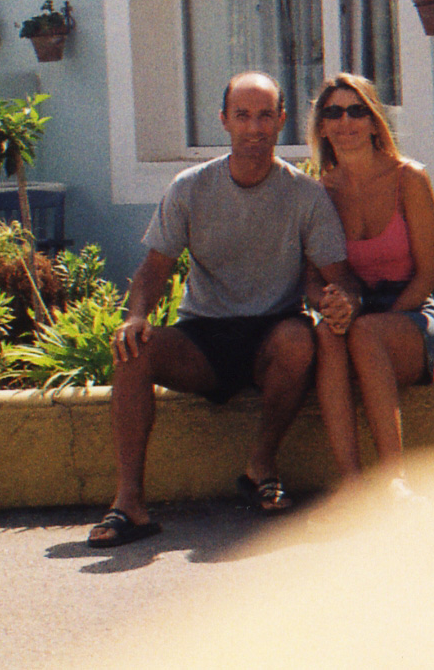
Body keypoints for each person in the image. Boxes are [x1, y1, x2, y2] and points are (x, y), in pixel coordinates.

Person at [86, 71, 351, 548]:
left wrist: (340, 300)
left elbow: (338, 278)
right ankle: (129, 502)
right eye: (243, 115)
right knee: (131, 349)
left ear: (282, 121)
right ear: (224, 120)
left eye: (265, 116)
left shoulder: (305, 194)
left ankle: (261, 467)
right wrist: (136, 316)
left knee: (299, 340)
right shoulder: (190, 187)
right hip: (203, 337)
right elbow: (153, 269)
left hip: (273, 335)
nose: (254, 127)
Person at [307, 73, 434, 500]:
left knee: (365, 333)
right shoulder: (319, 192)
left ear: (373, 121)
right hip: (355, 313)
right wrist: (329, 304)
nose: (345, 122)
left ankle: (393, 481)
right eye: (334, 113)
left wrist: (375, 324)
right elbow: (310, 278)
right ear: (322, 126)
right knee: (326, 334)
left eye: (356, 110)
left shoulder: (410, 179)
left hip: (410, 313)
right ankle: (351, 486)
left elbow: (426, 276)